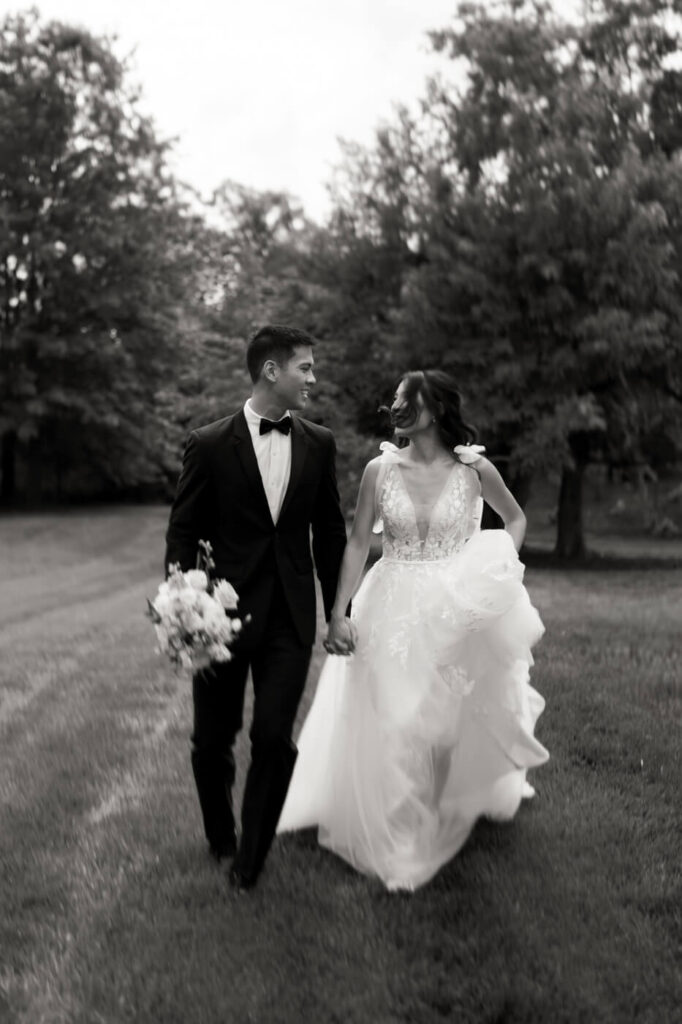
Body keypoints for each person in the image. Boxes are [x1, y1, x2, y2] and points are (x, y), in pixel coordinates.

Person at [278, 369, 549, 892]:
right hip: (391, 604)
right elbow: (358, 543)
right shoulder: (380, 469)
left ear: (437, 410)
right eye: (396, 400)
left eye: (407, 401)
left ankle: (437, 809)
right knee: (398, 717)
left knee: (445, 722)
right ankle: (404, 832)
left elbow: (514, 519)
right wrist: (339, 612)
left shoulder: (474, 470)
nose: (396, 408)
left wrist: (492, 568)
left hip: (456, 607)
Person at [165, 325, 349, 892]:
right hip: (219, 619)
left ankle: (250, 859)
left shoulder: (319, 444)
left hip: (289, 620)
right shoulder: (209, 443)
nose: (313, 378)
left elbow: (331, 536)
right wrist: (183, 610)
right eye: (306, 368)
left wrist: (339, 611)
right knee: (211, 740)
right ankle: (220, 836)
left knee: (273, 736)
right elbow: (182, 534)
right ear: (272, 371)